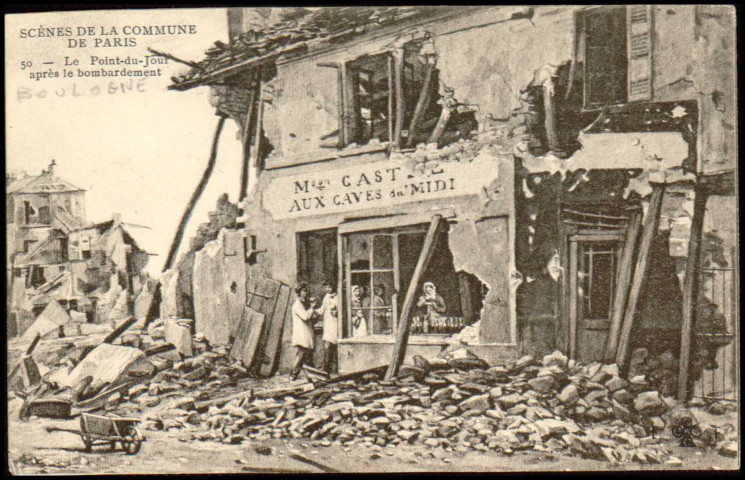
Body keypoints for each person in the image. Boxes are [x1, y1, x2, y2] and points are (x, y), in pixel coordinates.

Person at [290, 283, 317, 381]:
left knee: (304, 355)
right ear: (299, 292)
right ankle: (293, 375)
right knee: (301, 355)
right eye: (304, 291)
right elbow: (305, 317)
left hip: (305, 333)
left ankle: (309, 377)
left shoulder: (303, 304)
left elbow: (310, 316)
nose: (306, 293)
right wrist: (312, 308)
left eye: (306, 291)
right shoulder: (297, 305)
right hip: (301, 334)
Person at [315, 281, 338, 373]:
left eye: (329, 287)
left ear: (333, 287)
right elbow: (321, 310)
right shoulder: (326, 297)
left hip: (336, 323)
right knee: (327, 345)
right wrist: (313, 309)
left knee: (334, 346)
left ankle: (334, 369)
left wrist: (337, 312)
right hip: (328, 324)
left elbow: (343, 310)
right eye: (326, 287)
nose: (327, 289)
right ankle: (325, 369)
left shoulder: (339, 297)